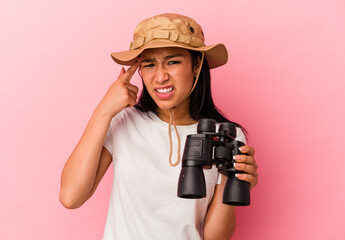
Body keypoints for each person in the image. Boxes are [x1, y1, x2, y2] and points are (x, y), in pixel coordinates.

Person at [59, 13, 258, 240]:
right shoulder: (124, 122)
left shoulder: (225, 136)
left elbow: (215, 238)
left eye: (173, 62)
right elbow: (70, 197)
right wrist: (103, 111)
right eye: (149, 64)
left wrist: (231, 178)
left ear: (196, 65)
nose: (160, 77)